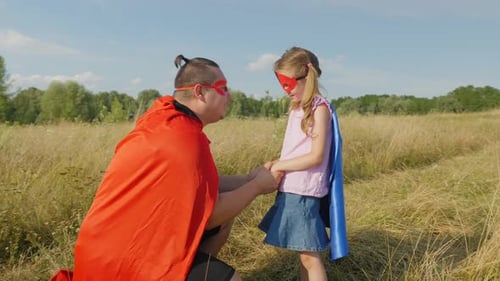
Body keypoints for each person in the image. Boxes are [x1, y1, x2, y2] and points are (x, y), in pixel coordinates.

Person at [50, 54, 282, 281]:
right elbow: (209, 215)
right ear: (200, 91)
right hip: (124, 262)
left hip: (105, 249)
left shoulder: (166, 120)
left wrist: (249, 178)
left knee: (225, 220)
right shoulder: (183, 138)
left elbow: (199, 185)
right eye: (223, 88)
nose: (229, 97)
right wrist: (257, 187)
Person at [258, 47, 348, 281]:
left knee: (310, 256)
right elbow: (298, 149)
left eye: (288, 83)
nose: (285, 90)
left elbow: (316, 156)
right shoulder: (298, 108)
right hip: (294, 187)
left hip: (304, 190)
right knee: (304, 255)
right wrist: (278, 162)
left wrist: (281, 166)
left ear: (307, 77)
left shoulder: (319, 109)